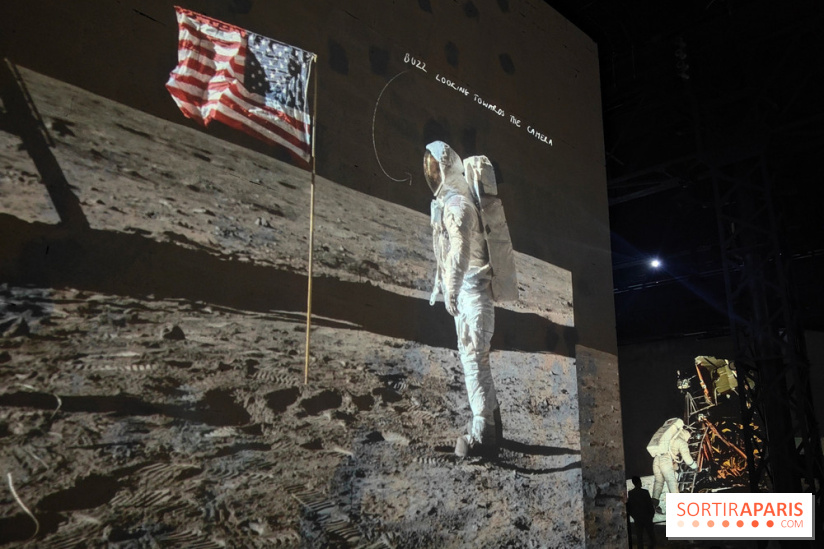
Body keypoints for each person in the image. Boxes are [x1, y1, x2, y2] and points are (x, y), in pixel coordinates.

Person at [423, 141, 501, 458]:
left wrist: (451, 289)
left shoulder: (457, 206)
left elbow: (459, 253)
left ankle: (482, 437)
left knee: (473, 366)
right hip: (476, 297)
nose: (432, 177)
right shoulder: (462, 202)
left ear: (446, 171)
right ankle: (493, 427)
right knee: (478, 364)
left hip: (472, 298)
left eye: (434, 171)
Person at [651, 426, 698, 512]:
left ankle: (653, 504)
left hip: (656, 459)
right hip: (665, 459)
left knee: (658, 482)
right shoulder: (681, 441)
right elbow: (687, 457)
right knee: (671, 481)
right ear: (687, 435)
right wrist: (695, 466)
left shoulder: (671, 437)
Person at [627, 476, 656, 549]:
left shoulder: (631, 493)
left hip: (637, 519)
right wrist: (651, 516)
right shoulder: (645, 492)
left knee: (639, 538)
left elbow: (630, 507)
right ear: (639, 482)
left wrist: (634, 516)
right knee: (651, 536)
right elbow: (650, 505)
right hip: (647, 518)